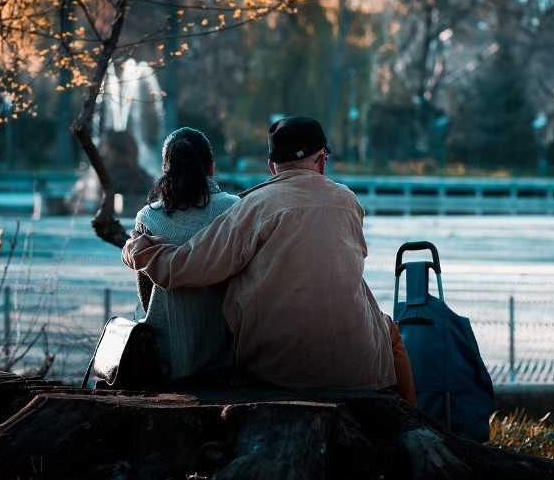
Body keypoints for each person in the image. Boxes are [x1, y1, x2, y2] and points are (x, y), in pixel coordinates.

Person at [123, 116, 415, 403]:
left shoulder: (254, 206)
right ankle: (412, 420)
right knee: (389, 330)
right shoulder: (349, 201)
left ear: (272, 167)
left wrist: (139, 250)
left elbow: (190, 267)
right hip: (355, 365)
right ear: (322, 160)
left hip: (278, 368)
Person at [132, 127, 240, 381]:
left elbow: (146, 293)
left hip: (165, 358)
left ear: (165, 169)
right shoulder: (237, 209)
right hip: (226, 358)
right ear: (211, 167)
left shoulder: (148, 218)